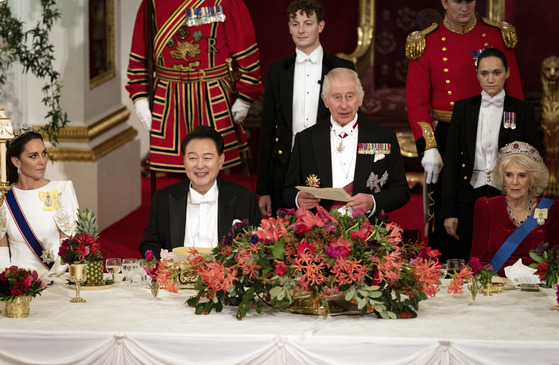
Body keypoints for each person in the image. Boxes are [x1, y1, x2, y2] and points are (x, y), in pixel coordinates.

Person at [405, 0, 523, 260]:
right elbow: (417, 102)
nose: (465, 7)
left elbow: (515, 98)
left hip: (494, 131)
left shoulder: (496, 35)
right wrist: (430, 145)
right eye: (457, 0)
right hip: (447, 134)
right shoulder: (427, 41)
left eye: (470, 0)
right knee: (448, 211)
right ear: (445, 2)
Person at [126, 0, 263, 172]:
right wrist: (140, 99)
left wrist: (244, 98)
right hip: (168, 99)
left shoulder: (227, 2)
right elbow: (139, 55)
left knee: (213, 171)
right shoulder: (151, 3)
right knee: (172, 178)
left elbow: (247, 53)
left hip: (213, 97)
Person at [256, 0, 354, 217]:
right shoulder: (277, 71)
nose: (301, 30)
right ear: (289, 27)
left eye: (307, 23)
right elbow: (267, 130)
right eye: (295, 23)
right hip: (285, 167)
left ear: (321, 26)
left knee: (330, 236)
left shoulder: (342, 68)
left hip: (331, 166)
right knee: (285, 239)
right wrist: (263, 189)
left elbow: (354, 125)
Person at [441, 48, 538, 261]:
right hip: (468, 195)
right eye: (484, 73)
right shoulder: (463, 109)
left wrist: (528, 204)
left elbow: (533, 163)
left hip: (507, 195)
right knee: (469, 259)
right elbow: (451, 163)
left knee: (504, 259)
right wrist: (449, 211)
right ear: (477, 75)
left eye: (497, 72)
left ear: (507, 73)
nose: (490, 79)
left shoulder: (523, 111)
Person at [283, 68, 410, 219]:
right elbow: (288, 190)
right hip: (318, 232)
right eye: (337, 97)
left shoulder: (384, 137)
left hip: (368, 232)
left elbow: (401, 191)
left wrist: (373, 201)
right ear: (325, 100)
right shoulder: (305, 139)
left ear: (360, 98)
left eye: (349, 96)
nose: (344, 105)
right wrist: (298, 198)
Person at [139, 126, 261, 258]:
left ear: (221, 161)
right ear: (184, 161)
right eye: (193, 158)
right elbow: (149, 245)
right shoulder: (162, 198)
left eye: (207, 158)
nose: (200, 165)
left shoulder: (245, 199)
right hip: (177, 276)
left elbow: (256, 248)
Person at [470, 142, 558, 276]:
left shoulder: (550, 209)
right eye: (509, 175)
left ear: (532, 179)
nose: (514, 182)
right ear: (502, 177)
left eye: (522, 175)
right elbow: (477, 260)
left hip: (537, 289)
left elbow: (555, 260)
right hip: (497, 288)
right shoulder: (487, 207)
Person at [0, 127, 79, 273]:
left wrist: (50, 279)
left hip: (54, 281)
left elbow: (69, 246)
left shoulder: (61, 190)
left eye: (44, 154)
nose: (42, 161)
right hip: (18, 287)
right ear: (16, 161)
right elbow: (2, 252)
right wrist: (8, 283)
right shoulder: (4, 197)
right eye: (33, 156)